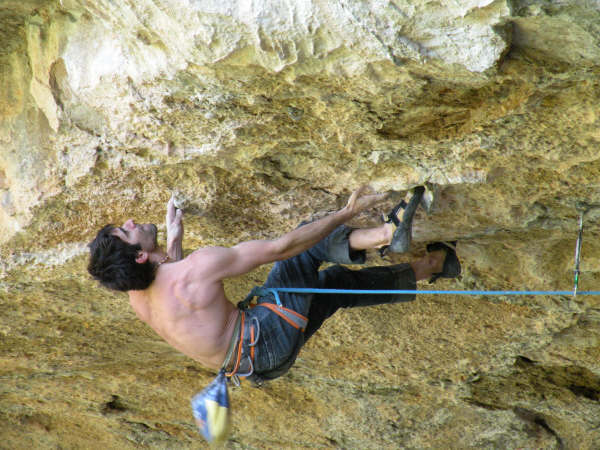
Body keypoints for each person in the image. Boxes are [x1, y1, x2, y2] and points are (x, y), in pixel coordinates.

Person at [87, 186, 460, 384]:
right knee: (304, 246)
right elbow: (283, 248)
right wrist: (346, 212)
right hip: (265, 334)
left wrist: (174, 238)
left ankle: (432, 266)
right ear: (140, 255)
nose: (131, 222)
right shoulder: (198, 267)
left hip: (258, 367)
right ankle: (388, 233)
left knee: (333, 285)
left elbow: (178, 288)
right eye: (126, 231)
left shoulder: (138, 298)